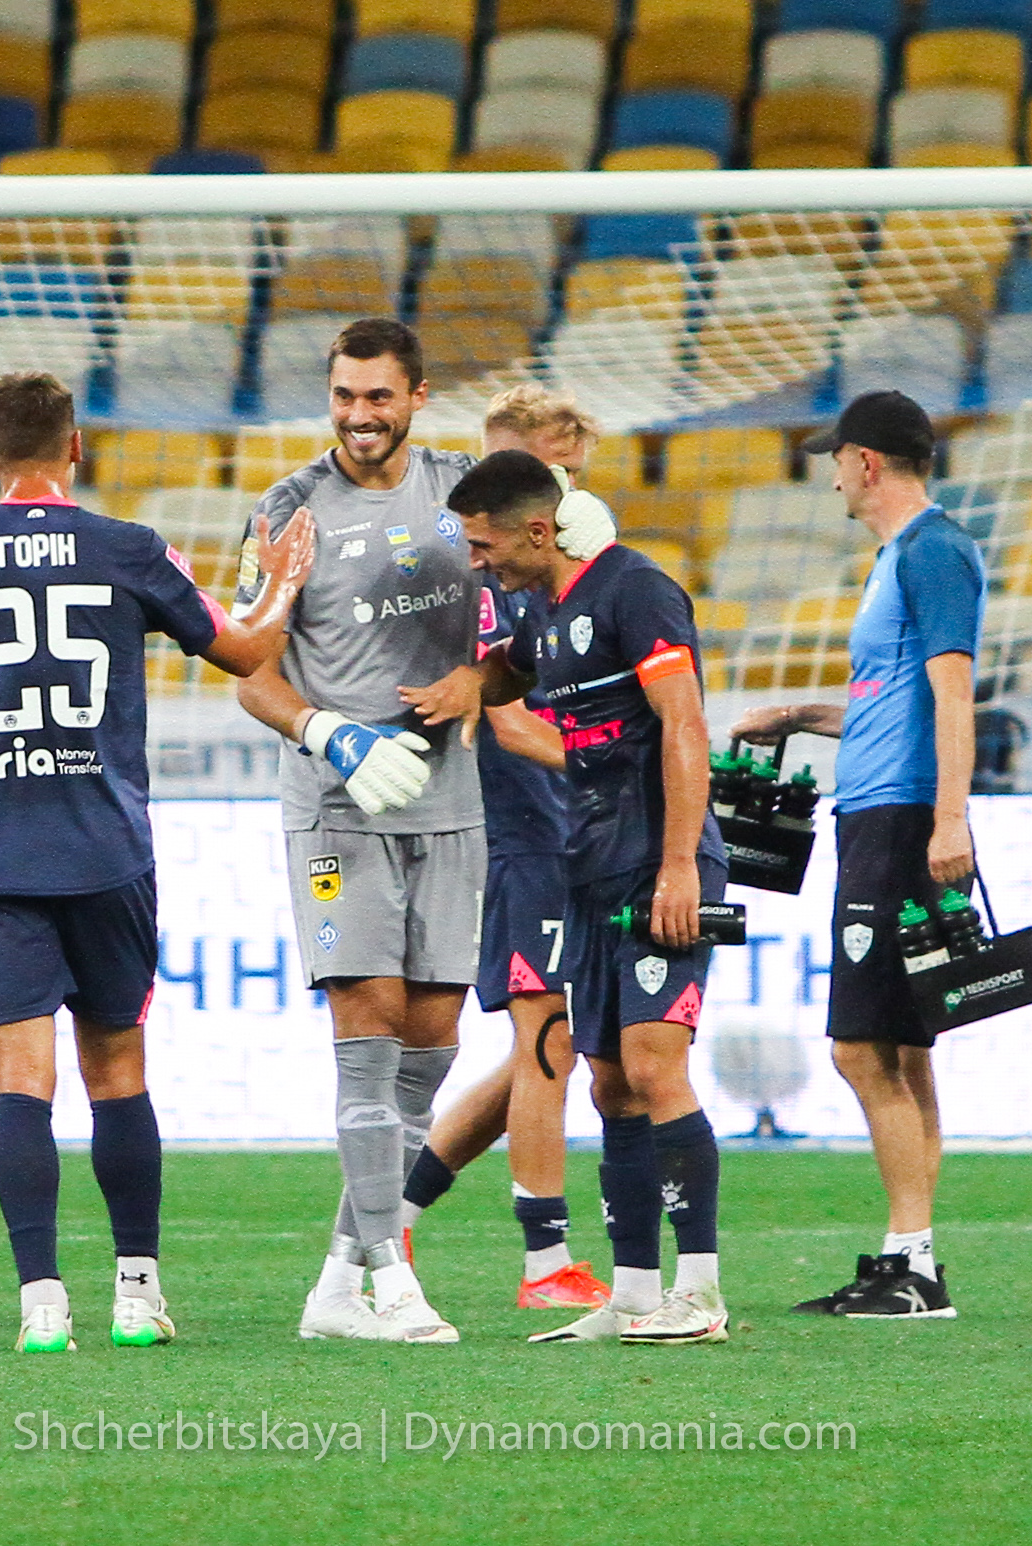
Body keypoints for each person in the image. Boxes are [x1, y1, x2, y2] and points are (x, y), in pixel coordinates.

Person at [0, 371, 313, 1353]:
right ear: (76, 446)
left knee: (19, 1081)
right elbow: (246, 653)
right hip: (107, 849)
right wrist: (282, 580)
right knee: (117, 1071)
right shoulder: (130, 547)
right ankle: (137, 1294)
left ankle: (41, 1303)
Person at [417, 449, 732, 1346]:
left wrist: (679, 864)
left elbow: (683, 723)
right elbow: (510, 672)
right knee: (609, 1082)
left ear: (536, 530)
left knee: (655, 1063)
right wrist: (470, 683)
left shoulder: (636, 590)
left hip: (657, 864)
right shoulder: (548, 611)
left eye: (484, 546)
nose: (477, 562)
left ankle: (700, 1293)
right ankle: (632, 1294)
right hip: (588, 869)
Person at [231, 318, 479, 1343]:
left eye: (378, 396)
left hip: (452, 801)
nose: (359, 415)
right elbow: (249, 668)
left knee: (431, 1045)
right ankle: (391, 1280)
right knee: (368, 1029)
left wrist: (480, 680)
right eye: (344, 395)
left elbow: (529, 617)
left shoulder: (464, 493)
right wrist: (326, 732)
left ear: (417, 397)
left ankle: (337, 1282)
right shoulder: (288, 510)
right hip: (340, 806)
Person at [731, 390, 984, 1320]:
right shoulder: (900, 557)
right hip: (880, 813)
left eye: (836, 457)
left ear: (866, 463)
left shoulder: (931, 552)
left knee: (859, 1048)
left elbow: (954, 696)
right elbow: (896, 700)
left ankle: (911, 1264)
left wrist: (947, 821)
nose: (831, 473)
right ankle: (910, 1259)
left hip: (900, 821)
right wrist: (803, 715)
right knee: (903, 1049)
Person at [395, 384, 616, 1310]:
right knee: (547, 1037)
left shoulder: (570, 570)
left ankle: (388, 1216)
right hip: (525, 831)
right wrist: (617, 758)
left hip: (584, 829)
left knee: (550, 1043)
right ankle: (545, 1264)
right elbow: (505, 714)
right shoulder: (484, 578)